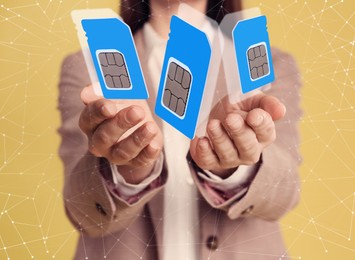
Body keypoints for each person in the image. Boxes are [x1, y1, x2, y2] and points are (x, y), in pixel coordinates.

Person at [58, 0, 302, 259]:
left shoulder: (262, 61)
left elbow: (285, 193)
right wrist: (128, 168)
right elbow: (82, 211)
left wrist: (231, 166)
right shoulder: (90, 65)